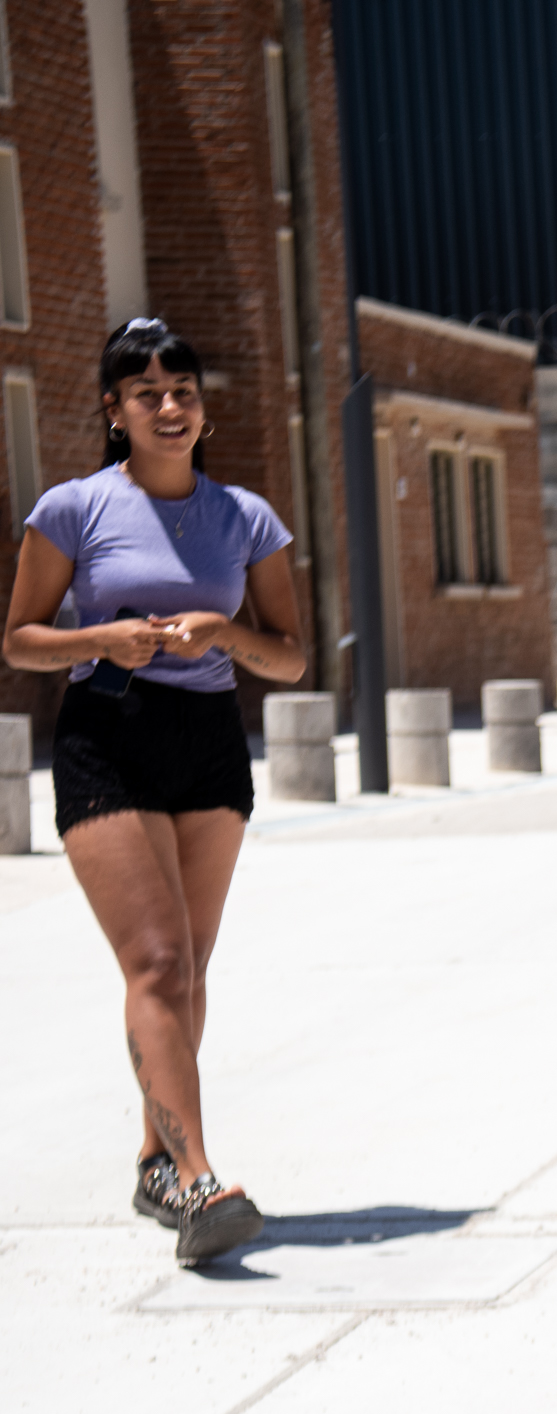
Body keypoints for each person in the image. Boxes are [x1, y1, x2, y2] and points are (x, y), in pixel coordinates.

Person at [5, 318, 304, 1265]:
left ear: (203, 411)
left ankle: (154, 1163)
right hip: (107, 739)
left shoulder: (246, 518)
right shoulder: (72, 509)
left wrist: (223, 632)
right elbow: (18, 638)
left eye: (183, 391)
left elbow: (290, 658)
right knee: (159, 964)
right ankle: (199, 1177)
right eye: (147, 393)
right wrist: (101, 640)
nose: (169, 406)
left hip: (209, 747)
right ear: (114, 410)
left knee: (190, 971)